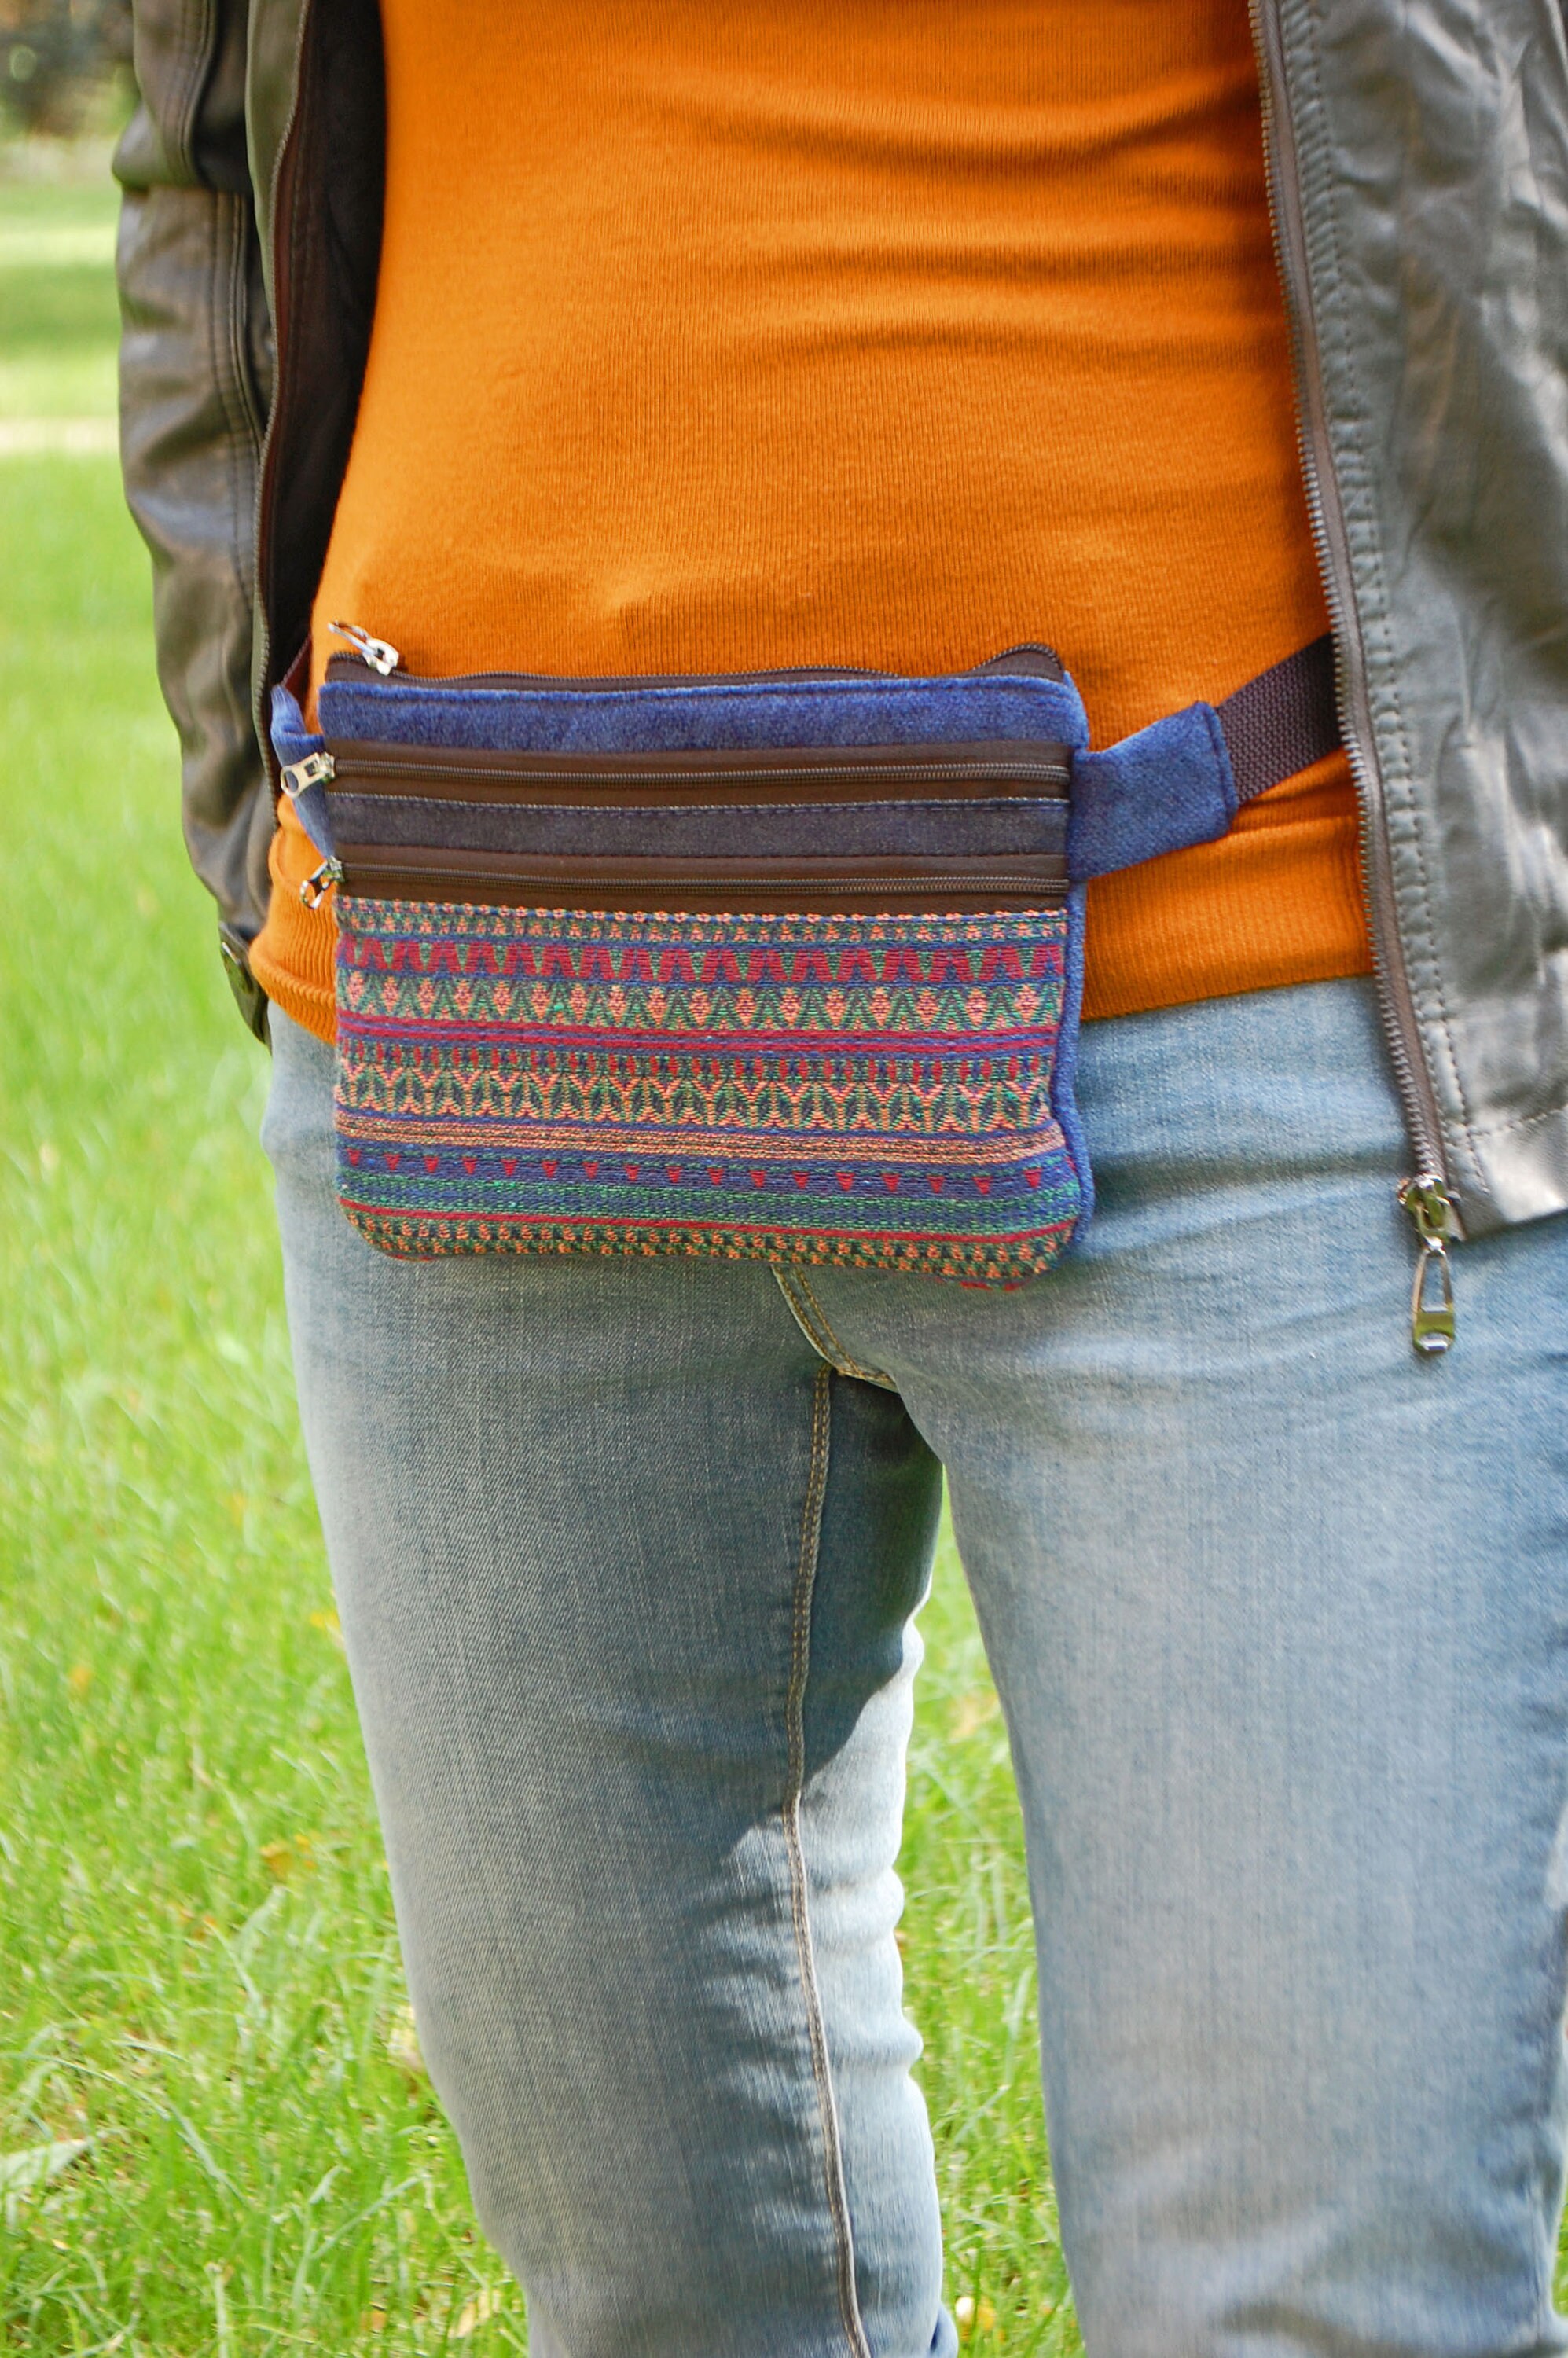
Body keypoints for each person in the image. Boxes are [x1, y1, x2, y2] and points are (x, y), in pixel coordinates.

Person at [115, 3, 1568, 2351]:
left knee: (1321, 2314)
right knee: (665, 2298)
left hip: (1272, 1012)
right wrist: (253, 805)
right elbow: (204, 158)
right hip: (480, 1021)